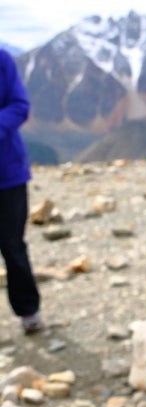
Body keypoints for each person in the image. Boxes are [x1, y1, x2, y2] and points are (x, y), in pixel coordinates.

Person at [0, 48, 43, 335]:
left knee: (13, 245)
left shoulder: (1, 59)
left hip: (7, 174)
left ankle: (29, 312)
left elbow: (19, 105)